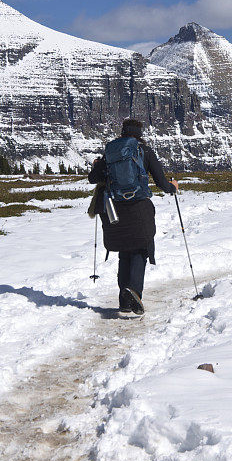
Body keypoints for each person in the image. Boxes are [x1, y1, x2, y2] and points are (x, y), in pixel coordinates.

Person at [88, 118, 178, 315]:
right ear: (139, 132)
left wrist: (97, 165)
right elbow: (162, 182)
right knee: (140, 249)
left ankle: (124, 299)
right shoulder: (144, 151)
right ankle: (134, 291)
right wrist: (173, 187)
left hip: (113, 208)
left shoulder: (111, 151)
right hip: (138, 207)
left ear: (122, 131)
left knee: (124, 251)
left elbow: (93, 178)